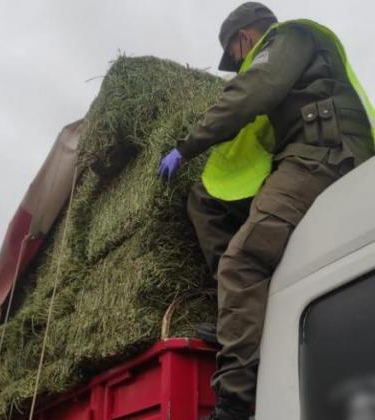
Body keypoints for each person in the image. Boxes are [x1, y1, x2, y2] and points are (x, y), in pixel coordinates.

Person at [157, 2, 374, 419]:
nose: (239, 65)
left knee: (243, 262)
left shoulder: (287, 39)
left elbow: (254, 89)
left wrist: (187, 146)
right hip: (303, 157)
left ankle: (234, 403)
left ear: (245, 38)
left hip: (322, 156)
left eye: (236, 56)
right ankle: (234, 316)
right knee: (203, 203)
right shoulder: (291, 64)